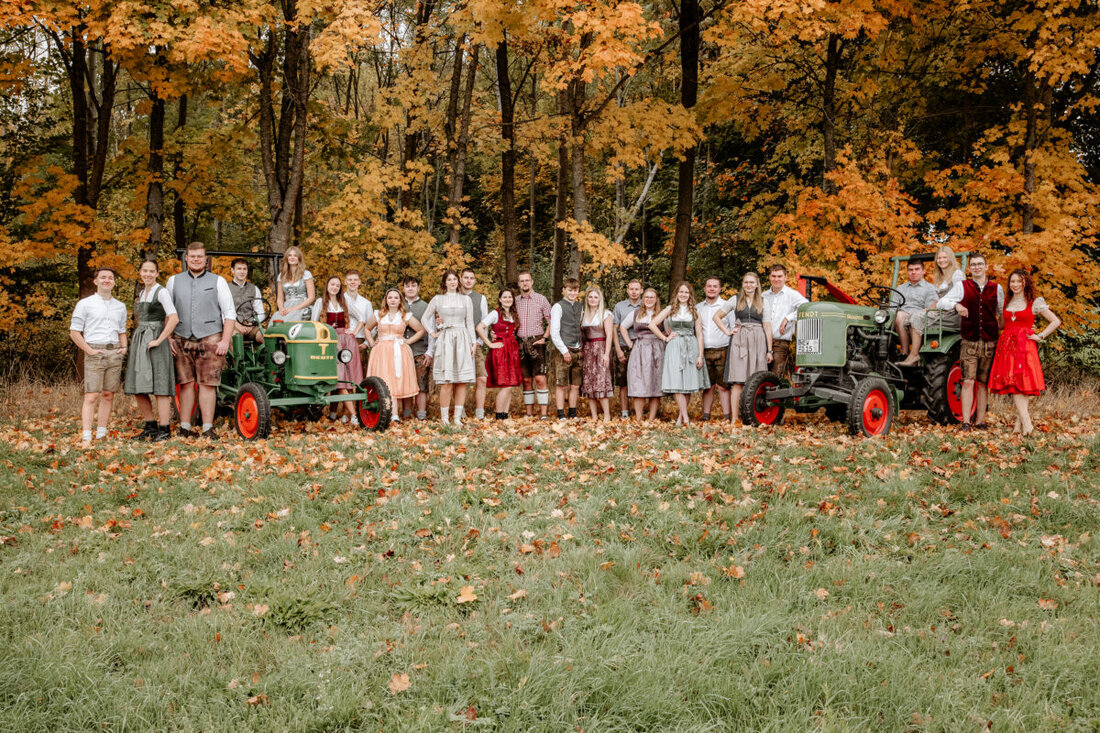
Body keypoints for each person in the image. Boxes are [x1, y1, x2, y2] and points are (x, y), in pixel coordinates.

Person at [167, 241, 237, 438]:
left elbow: (229, 313)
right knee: (186, 383)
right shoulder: (173, 281)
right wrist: (168, 339)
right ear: (186, 258)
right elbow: (168, 312)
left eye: (200, 256)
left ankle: (207, 428)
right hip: (181, 338)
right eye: (193, 256)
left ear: (205, 259)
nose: (196, 259)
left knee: (208, 384)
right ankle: (185, 427)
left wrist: (224, 341)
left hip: (211, 338)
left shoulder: (218, 281)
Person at [989, 270, 1061, 436]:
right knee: (1015, 383)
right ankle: (1019, 425)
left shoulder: (1034, 302)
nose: (1015, 285)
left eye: (1018, 281)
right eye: (1012, 281)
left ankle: (1026, 422)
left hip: (1024, 346)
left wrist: (1039, 335)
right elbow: (1001, 324)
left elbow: (1055, 321)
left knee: (1021, 383)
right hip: (1007, 347)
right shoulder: (1006, 302)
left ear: (1025, 283)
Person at [937, 252, 1004, 429]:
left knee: (983, 383)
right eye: (973, 264)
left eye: (980, 264)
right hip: (969, 340)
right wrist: (957, 305)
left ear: (986, 266)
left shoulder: (996, 288)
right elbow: (941, 302)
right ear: (970, 268)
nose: (976, 267)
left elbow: (1001, 312)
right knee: (968, 380)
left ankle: (980, 421)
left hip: (990, 341)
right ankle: (966, 421)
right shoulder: (962, 286)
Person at [69, 267, 128, 445]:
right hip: (94, 351)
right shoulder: (85, 304)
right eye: (103, 277)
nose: (107, 280)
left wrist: (124, 347)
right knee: (91, 395)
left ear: (114, 282)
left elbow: (122, 330)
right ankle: (87, 435)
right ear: (96, 281)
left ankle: (101, 434)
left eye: (110, 278)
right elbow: (74, 332)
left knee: (108, 394)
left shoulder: (120, 306)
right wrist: (89, 350)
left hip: (114, 352)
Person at [124, 259, 178, 442]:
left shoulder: (161, 292)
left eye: (151, 271)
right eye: (144, 271)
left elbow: (173, 318)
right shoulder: (142, 292)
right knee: (138, 385)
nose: (147, 274)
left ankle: (164, 429)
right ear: (140, 273)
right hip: (141, 340)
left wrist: (160, 339)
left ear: (156, 273)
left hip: (156, 340)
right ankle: (150, 426)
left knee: (160, 386)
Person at [715, 272, 773, 422]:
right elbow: (716, 316)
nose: (749, 285)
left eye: (752, 282)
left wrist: (769, 350)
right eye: (746, 282)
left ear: (757, 284)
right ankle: (735, 418)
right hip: (739, 341)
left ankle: (753, 417)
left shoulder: (763, 301)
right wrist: (727, 331)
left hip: (758, 341)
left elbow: (767, 327)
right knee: (737, 381)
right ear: (742, 284)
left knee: (756, 380)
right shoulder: (735, 299)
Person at [421, 270, 476, 426]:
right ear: (445, 283)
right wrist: (432, 332)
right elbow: (425, 317)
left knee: (461, 381)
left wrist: (473, 343)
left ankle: (457, 418)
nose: (452, 282)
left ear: (458, 282)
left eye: (454, 279)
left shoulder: (466, 300)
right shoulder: (438, 299)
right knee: (446, 381)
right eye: (449, 280)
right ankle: (444, 418)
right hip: (445, 339)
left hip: (462, 338)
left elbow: (470, 322)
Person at [652, 282, 710, 425]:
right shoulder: (670, 309)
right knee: (677, 381)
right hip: (675, 346)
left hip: (691, 346)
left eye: (686, 292)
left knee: (688, 384)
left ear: (690, 295)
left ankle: (680, 418)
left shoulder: (695, 311)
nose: (683, 295)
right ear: (676, 294)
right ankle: (686, 418)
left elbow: (700, 334)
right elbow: (652, 324)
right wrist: (665, 338)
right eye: (681, 292)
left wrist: (700, 355)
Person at [365, 288, 425, 419]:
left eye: (396, 298)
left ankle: (395, 414)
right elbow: (367, 329)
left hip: (399, 350)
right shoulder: (379, 314)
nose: (393, 300)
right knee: (384, 379)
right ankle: (385, 413)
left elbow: (421, 330)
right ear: (386, 300)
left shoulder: (405, 315)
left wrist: (408, 341)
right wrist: (371, 342)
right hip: (381, 352)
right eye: (390, 297)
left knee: (396, 380)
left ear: (400, 300)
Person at [312, 276, 365, 424]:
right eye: (332, 284)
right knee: (338, 377)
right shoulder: (320, 302)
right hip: (329, 341)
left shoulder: (344, 302)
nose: (334, 287)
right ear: (327, 286)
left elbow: (361, 317)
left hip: (346, 341)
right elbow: (314, 323)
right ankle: (352, 415)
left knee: (348, 378)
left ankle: (338, 414)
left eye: (337, 285)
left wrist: (353, 331)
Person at [476, 288, 523, 419]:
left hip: (512, 351)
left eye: (510, 297)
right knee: (506, 385)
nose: (508, 299)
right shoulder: (495, 314)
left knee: (511, 385)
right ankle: (498, 416)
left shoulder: (514, 314)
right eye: (505, 297)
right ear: (500, 299)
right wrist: (489, 343)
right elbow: (479, 327)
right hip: (501, 351)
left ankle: (504, 415)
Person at [619, 287, 665, 421]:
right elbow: (622, 327)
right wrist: (629, 343)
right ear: (643, 299)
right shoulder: (636, 313)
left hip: (656, 349)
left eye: (652, 297)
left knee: (655, 382)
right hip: (639, 350)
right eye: (647, 297)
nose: (649, 299)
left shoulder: (661, 314)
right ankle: (639, 418)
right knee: (638, 382)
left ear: (656, 300)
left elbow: (668, 329)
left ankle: (651, 419)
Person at [908, 245, 964, 346]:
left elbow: (960, 297)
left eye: (944, 257)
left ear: (950, 258)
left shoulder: (957, 274)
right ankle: (910, 351)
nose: (941, 260)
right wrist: (929, 309)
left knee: (917, 317)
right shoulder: (939, 277)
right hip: (940, 312)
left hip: (952, 314)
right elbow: (937, 299)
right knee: (912, 317)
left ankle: (914, 354)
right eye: (939, 258)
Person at [515, 271, 552, 417]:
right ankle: (529, 414)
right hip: (520, 342)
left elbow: (551, 320)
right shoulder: (515, 301)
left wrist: (545, 338)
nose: (525, 283)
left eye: (527, 280)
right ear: (519, 284)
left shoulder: (541, 299)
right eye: (522, 281)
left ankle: (543, 414)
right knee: (526, 379)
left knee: (540, 378)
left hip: (537, 341)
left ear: (532, 282)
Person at [762, 265, 807, 381]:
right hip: (762, 341)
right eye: (773, 276)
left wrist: (788, 317)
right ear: (769, 277)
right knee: (759, 377)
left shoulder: (792, 294)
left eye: (779, 276)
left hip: (780, 343)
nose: (776, 279)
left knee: (775, 378)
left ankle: (773, 399)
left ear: (785, 277)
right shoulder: (763, 296)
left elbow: (806, 308)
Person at [696, 276, 731, 421]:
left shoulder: (727, 306)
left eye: (715, 286)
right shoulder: (698, 307)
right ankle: (706, 415)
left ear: (720, 289)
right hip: (704, 351)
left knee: (723, 386)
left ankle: (727, 416)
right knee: (707, 386)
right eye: (709, 286)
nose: (711, 289)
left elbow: (733, 327)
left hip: (722, 349)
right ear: (704, 288)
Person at [893, 260, 939, 366]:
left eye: (917, 269)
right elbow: (893, 307)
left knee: (900, 315)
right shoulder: (901, 288)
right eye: (910, 270)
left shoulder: (930, 289)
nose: (913, 272)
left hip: (919, 320)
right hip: (900, 320)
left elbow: (929, 310)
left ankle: (905, 353)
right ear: (907, 272)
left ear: (923, 271)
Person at [550, 278, 585, 419]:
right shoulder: (558, 307)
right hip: (564, 350)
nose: (572, 293)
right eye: (569, 290)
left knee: (575, 385)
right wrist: (564, 351)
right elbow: (554, 331)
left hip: (578, 349)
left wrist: (581, 347)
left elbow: (581, 327)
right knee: (562, 384)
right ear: (563, 290)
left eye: (575, 290)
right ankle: (560, 414)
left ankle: (572, 412)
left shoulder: (579, 306)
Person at [401, 275, 434, 421]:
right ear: (403, 288)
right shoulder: (398, 305)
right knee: (405, 383)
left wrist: (430, 352)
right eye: (407, 286)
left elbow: (431, 331)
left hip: (421, 350)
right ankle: (406, 413)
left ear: (418, 288)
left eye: (413, 286)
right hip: (401, 351)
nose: (410, 288)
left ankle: (421, 415)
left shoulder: (426, 307)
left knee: (421, 383)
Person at [580, 286, 615, 421]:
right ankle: (594, 416)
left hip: (601, 348)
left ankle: (607, 416)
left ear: (599, 299)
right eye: (590, 297)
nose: (593, 299)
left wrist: (606, 354)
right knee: (589, 383)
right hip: (588, 350)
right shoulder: (583, 314)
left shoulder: (605, 314)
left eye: (595, 297)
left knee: (601, 382)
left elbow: (609, 335)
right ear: (587, 299)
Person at [460, 268, 490, 420]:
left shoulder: (480, 298)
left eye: (471, 278)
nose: (468, 280)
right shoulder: (454, 297)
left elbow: (485, 322)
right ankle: (461, 411)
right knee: (460, 380)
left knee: (481, 378)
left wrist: (479, 341)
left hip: (475, 344)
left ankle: (479, 413)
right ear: (461, 279)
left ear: (475, 281)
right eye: (466, 277)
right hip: (458, 343)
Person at [611, 280, 642, 418]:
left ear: (641, 290)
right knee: (623, 382)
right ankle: (624, 412)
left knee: (641, 380)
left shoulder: (647, 305)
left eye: (637, 289)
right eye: (631, 289)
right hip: (624, 347)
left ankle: (639, 412)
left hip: (641, 348)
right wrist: (618, 349)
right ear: (627, 290)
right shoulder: (619, 307)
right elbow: (614, 329)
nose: (634, 291)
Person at [228, 258, 265, 344]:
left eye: (244, 269)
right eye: (239, 269)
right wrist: (236, 324)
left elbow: (261, 313)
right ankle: (237, 358)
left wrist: (252, 323)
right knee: (235, 338)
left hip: (251, 326)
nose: (242, 272)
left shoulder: (254, 289)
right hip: (233, 325)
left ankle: (274, 357)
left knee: (267, 336)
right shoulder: (225, 288)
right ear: (232, 270)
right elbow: (222, 313)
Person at [273, 246, 314, 322]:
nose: (292, 257)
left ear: (299, 259)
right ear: (287, 258)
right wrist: (281, 309)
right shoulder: (281, 276)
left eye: (295, 255)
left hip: (302, 306)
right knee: (276, 321)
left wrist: (293, 309)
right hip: (286, 306)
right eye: (290, 255)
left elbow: (311, 297)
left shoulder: (306, 274)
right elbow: (280, 298)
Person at [344, 270, 374, 353]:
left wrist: (366, 343)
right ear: (345, 282)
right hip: (342, 339)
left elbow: (372, 326)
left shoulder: (366, 303)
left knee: (360, 366)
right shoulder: (339, 300)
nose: (352, 282)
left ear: (359, 282)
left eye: (355, 280)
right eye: (350, 280)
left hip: (359, 342)